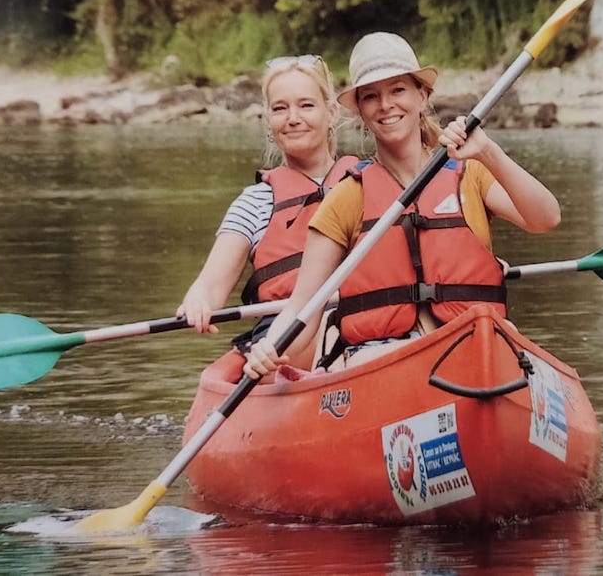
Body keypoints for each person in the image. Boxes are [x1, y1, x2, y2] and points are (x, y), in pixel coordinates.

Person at [242, 32, 560, 379]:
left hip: (473, 347)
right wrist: (270, 347)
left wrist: (489, 152)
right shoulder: (348, 197)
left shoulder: (471, 173)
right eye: (371, 96)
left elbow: (545, 219)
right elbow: (302, 306)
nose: (386, 105)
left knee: (502, 342)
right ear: (361, 110)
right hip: (385, 361)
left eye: (398, 90)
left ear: (422, 95)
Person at [177, 54, 358, 370]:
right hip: (283, 339)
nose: (292, 118)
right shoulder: (256, 202)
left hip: (363, 322)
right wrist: (198, 301)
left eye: (306, 105)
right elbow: (210, 285)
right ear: (268, 122)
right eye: (280, 108)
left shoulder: (368, 182)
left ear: (331, 113)